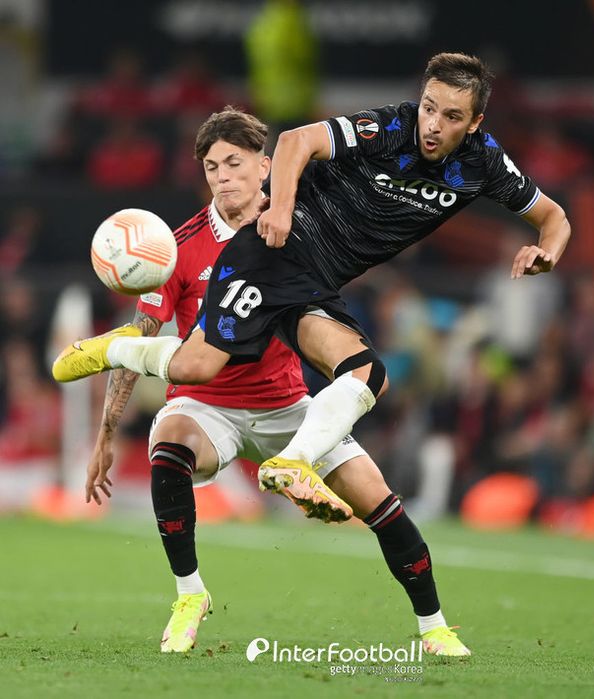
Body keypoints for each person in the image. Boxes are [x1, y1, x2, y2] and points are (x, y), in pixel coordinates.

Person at [53, 52, 571, 529]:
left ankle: (292, 462)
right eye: (429, 107)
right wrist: (280, 209)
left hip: (317, 284)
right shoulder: (391, 126)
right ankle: (121, 353)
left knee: (361, 374)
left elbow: (555, 218)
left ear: (475, 122)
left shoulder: (486, 163)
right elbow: (296, 140)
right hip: (280, 253)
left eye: (451, 116)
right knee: (200, 367)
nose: (433, 124)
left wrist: (546, 251)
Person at [84, 107, 470, 656]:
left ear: (264, 166)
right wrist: (105, 434)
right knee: (169, 445)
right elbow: (139, 336)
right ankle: (190, 595)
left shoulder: (298, 227)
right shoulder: (174, 249)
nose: (223, 177)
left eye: (234, 163)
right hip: (206, 406)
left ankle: (435, 628)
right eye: (212, 167)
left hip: (287, 406)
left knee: (380, 502)